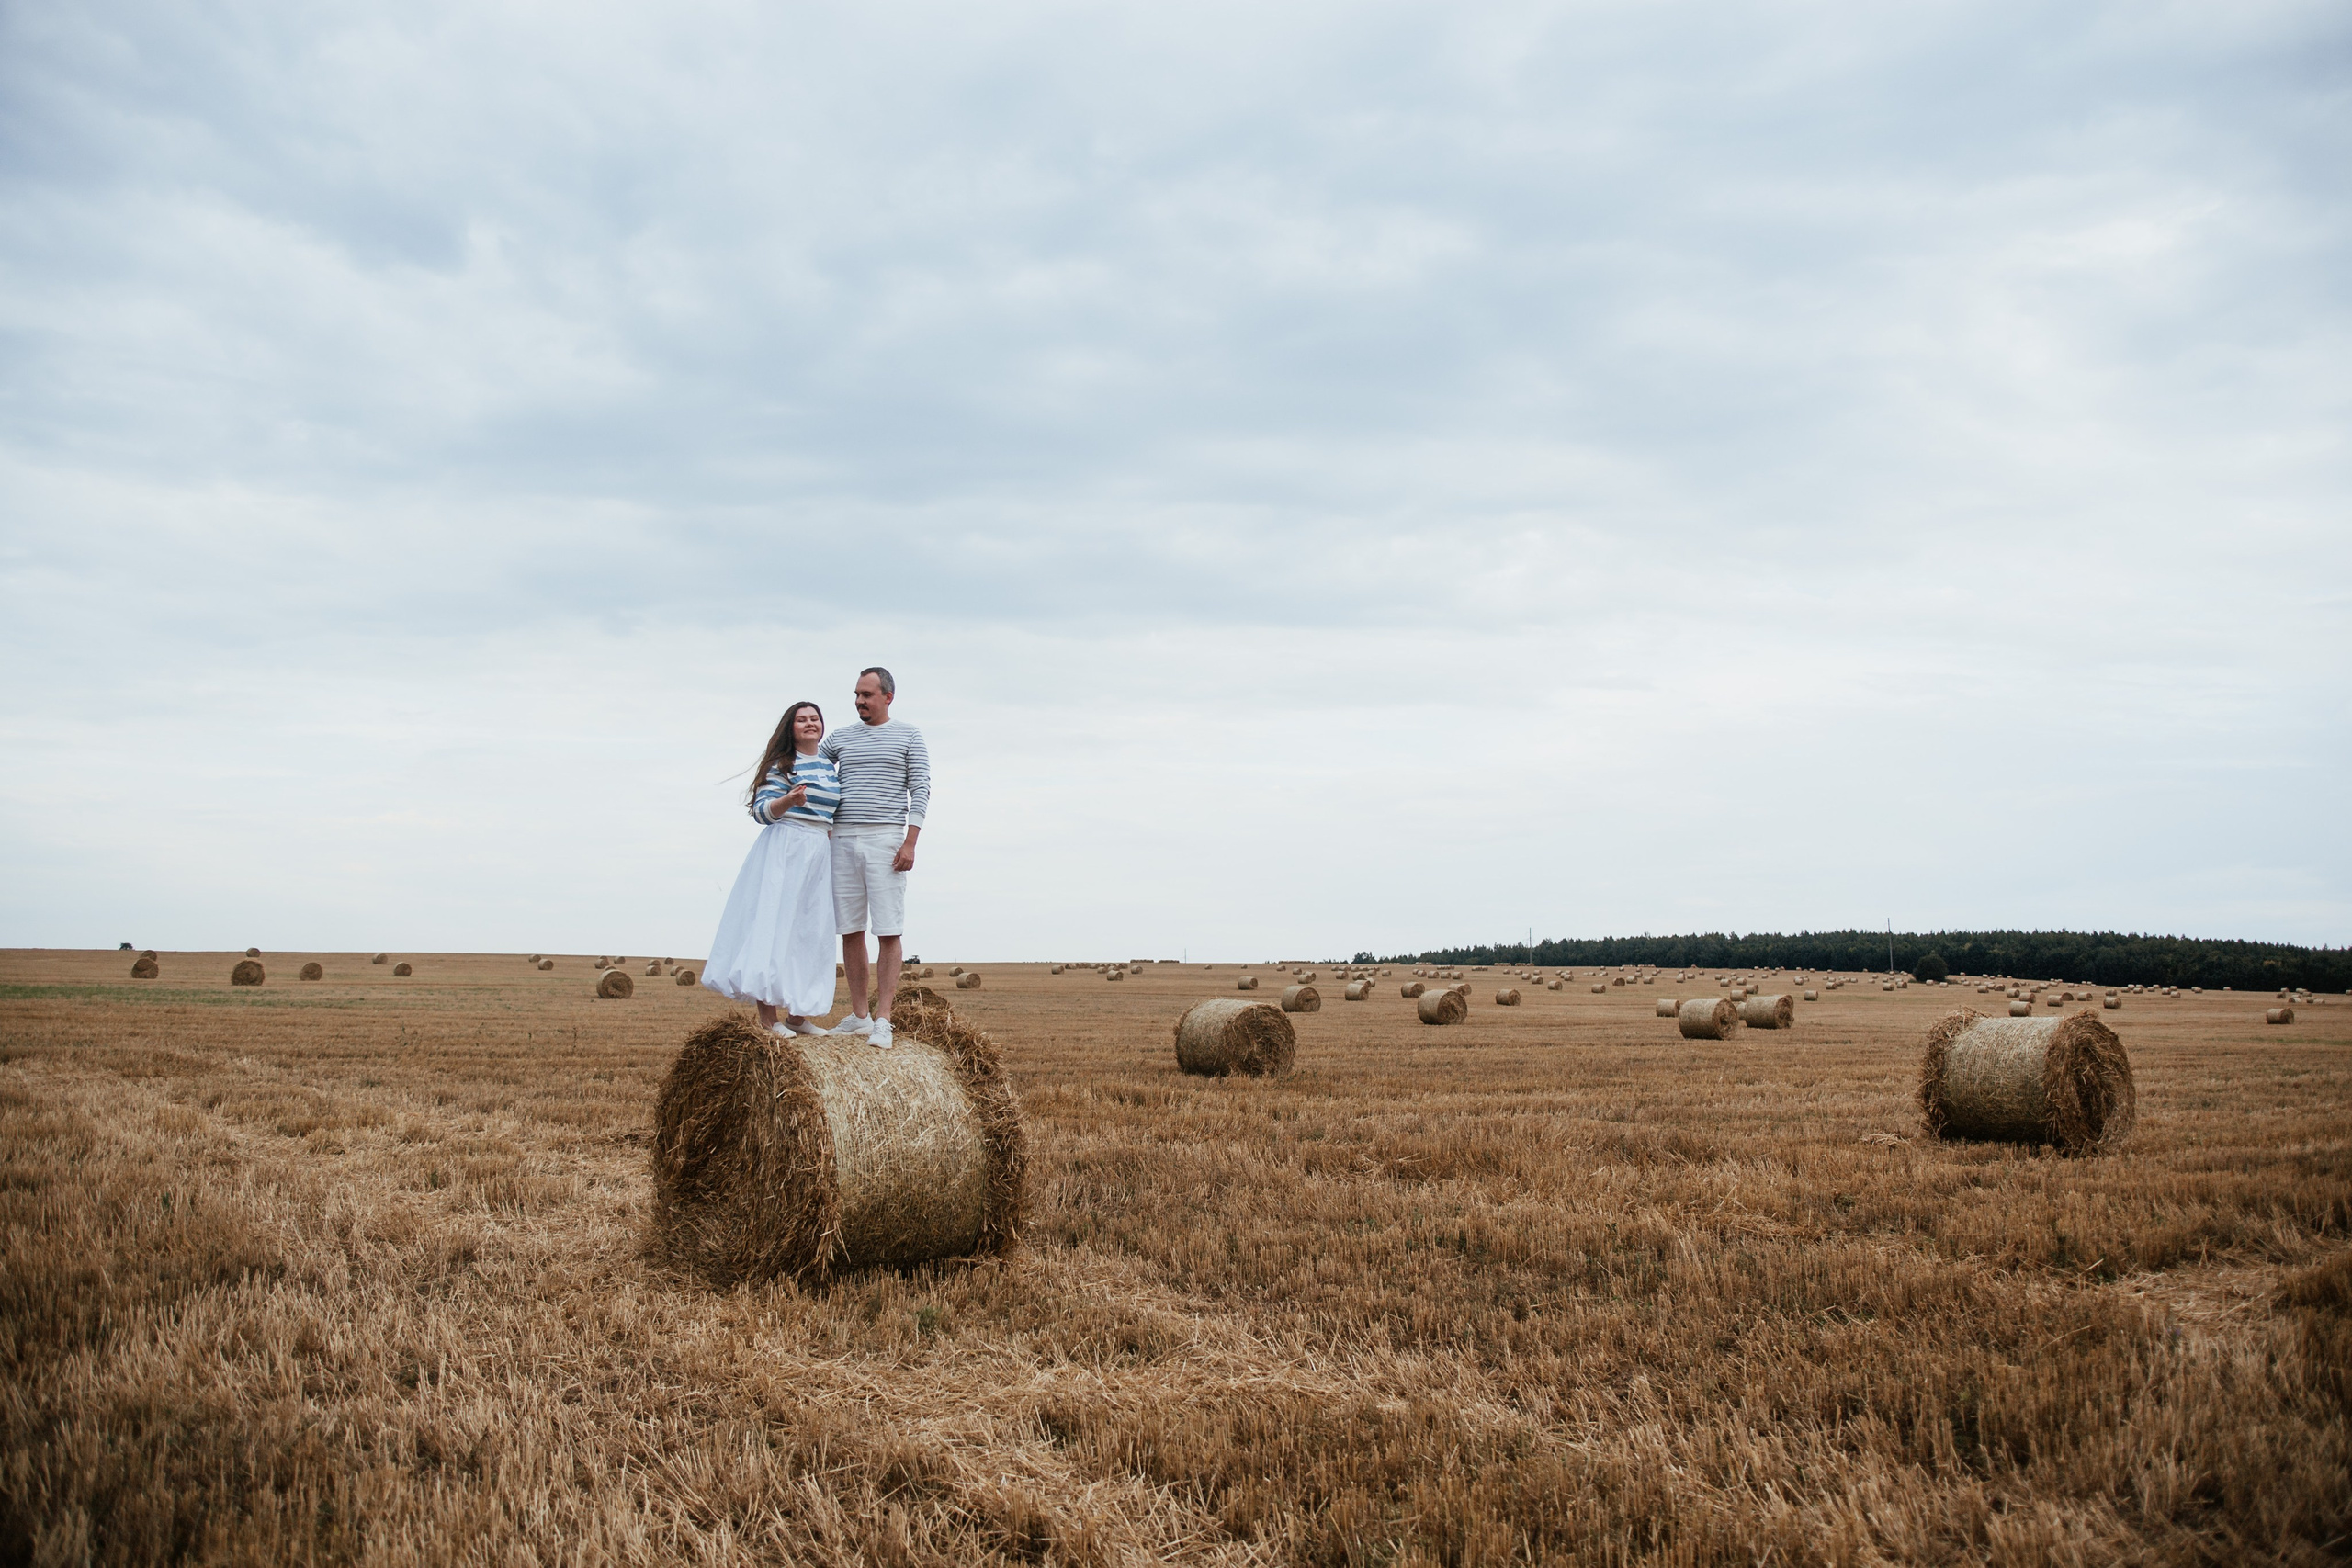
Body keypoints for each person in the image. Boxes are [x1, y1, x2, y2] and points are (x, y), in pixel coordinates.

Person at [701, 701, 842, 1035]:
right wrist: (788, 801)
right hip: (785, 849)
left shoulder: (827, 766)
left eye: (815, 718)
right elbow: (762, 812)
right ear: (790, 728)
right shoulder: (782, 765)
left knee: (810, 933)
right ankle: (768, 1018)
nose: (810, 724)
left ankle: (799, 1015)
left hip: (818, 852)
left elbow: (831, 816)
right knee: (773, 928)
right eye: (801, 720)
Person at [820, 666, 930, 1049]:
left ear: (888, 697)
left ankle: (884, 1018)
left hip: (886, 838)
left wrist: (910, 842)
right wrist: (821, 819)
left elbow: (921, 789)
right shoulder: (839, 738)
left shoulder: (909, 736)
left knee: (887, 929)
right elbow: (813, 767)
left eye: (866, 695)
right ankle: (859, 1016)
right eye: (856, 694)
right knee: (849, 929)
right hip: (842, 839)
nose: (859, 701)